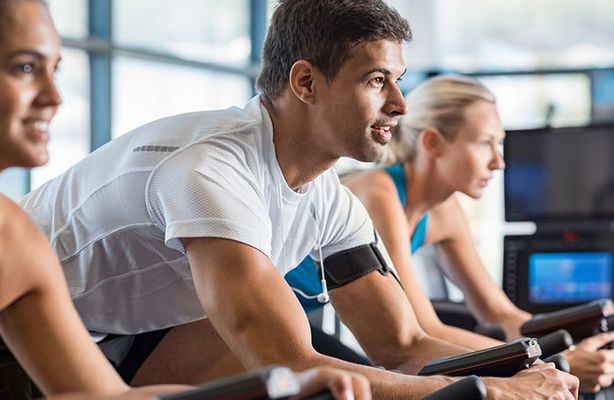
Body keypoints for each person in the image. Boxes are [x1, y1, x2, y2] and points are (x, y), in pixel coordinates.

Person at [20, 0, 578, 398]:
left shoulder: (327, 199)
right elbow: (290, 365)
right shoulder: (211, 168)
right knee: (302, 383)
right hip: (21, 330)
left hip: (131, 330)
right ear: (305, 83)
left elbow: (402, 343)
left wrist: (526, 375)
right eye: (377, 81)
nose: (401, 105)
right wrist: (496, 393)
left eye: (398, 80)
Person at [0, 1, 369, 399]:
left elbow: (101, 395)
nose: (54, 98)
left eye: (54, 71)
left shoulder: (15, 235)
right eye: (23, 67)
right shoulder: (204, 167)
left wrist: (281, 388)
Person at [339, 75, 614, 393]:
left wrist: (563, 351)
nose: (499, 162)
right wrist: (550, 364)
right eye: (485, 143)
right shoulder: (378, 193)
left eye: (499, 143)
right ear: (433, 143)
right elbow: (420, 332)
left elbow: (500, 313)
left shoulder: (446, 209)